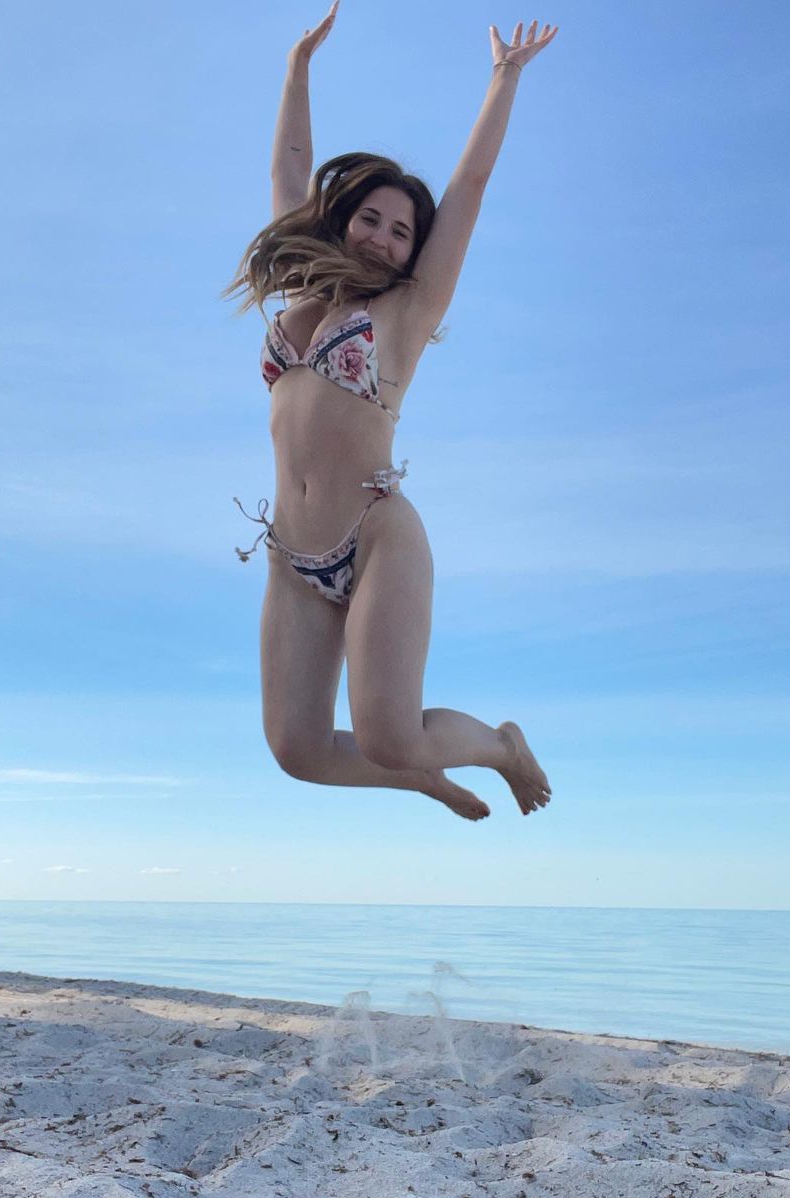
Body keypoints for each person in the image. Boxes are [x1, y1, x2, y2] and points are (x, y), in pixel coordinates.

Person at [224, 4, 557, 820]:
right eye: (369, 219)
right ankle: (419, 777)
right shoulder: (300, 291)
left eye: (402, 231)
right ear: (341, 221)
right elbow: (289, 167)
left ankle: (498, 746)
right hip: (293, 555)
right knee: (297, 750)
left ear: (415, 250)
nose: (381, 237)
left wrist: (504, 80)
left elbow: (469, 188)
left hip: (377, 535)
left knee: (390, 733)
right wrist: (298, 67)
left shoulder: (406, 313)